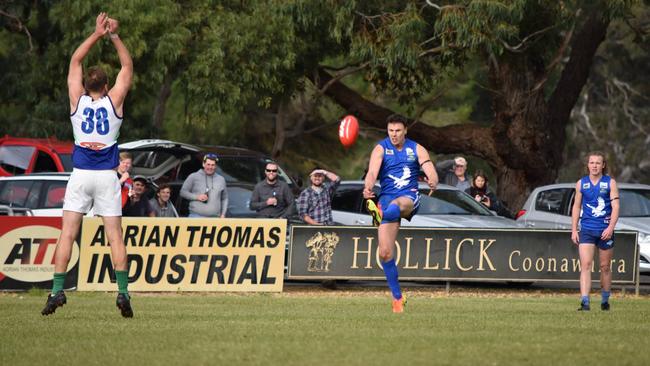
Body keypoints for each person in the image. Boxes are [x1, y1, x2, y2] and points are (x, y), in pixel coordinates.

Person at [41, 13, 133, 317]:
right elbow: (127, 67)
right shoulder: (114, 101)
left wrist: (96, 33)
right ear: (106, 86)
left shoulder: (76, 101)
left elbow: (75, 60)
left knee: (67, 234)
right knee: (115, 236)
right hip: (107, 176)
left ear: (86, 85)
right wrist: (113, 36)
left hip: (80, 175)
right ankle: (122, 293)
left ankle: (56, 291)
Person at [363, 114, 438, 313]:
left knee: (395, 205)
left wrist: (432, 178)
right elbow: (372, 172)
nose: (394, 134)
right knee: (385, 253)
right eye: (390, 131)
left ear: (405, 130)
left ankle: (381, 213)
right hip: (386, 198)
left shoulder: (416, 148)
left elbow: (429, 166)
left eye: (397, 131)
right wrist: (368, 186)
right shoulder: (381, 148)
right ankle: (398, 298)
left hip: (408, 197)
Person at [571, 151, 619, 311]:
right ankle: (585, 302)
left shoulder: (610, 183)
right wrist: (574, 229)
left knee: (605, 266)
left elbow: (616, 207)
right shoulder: (581, 183)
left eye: (598, 163)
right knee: (585, 265)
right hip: (587, 230)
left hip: (605, 231)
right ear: (588, 165)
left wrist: (610, 228)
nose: (594, 166)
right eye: (592, 163)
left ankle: (605, 301)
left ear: (603, 165)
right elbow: (576, 206)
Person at [180, 153, 228, 218]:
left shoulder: (221, 179)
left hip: (215, 219)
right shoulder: (193, 176)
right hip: (196, 217)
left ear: (215, 166)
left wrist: (223, 214)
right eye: (208, 164)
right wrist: (197, 197)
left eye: (213, 165)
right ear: (203, 164)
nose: (210, 167)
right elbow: (182, 192)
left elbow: (225, 198)